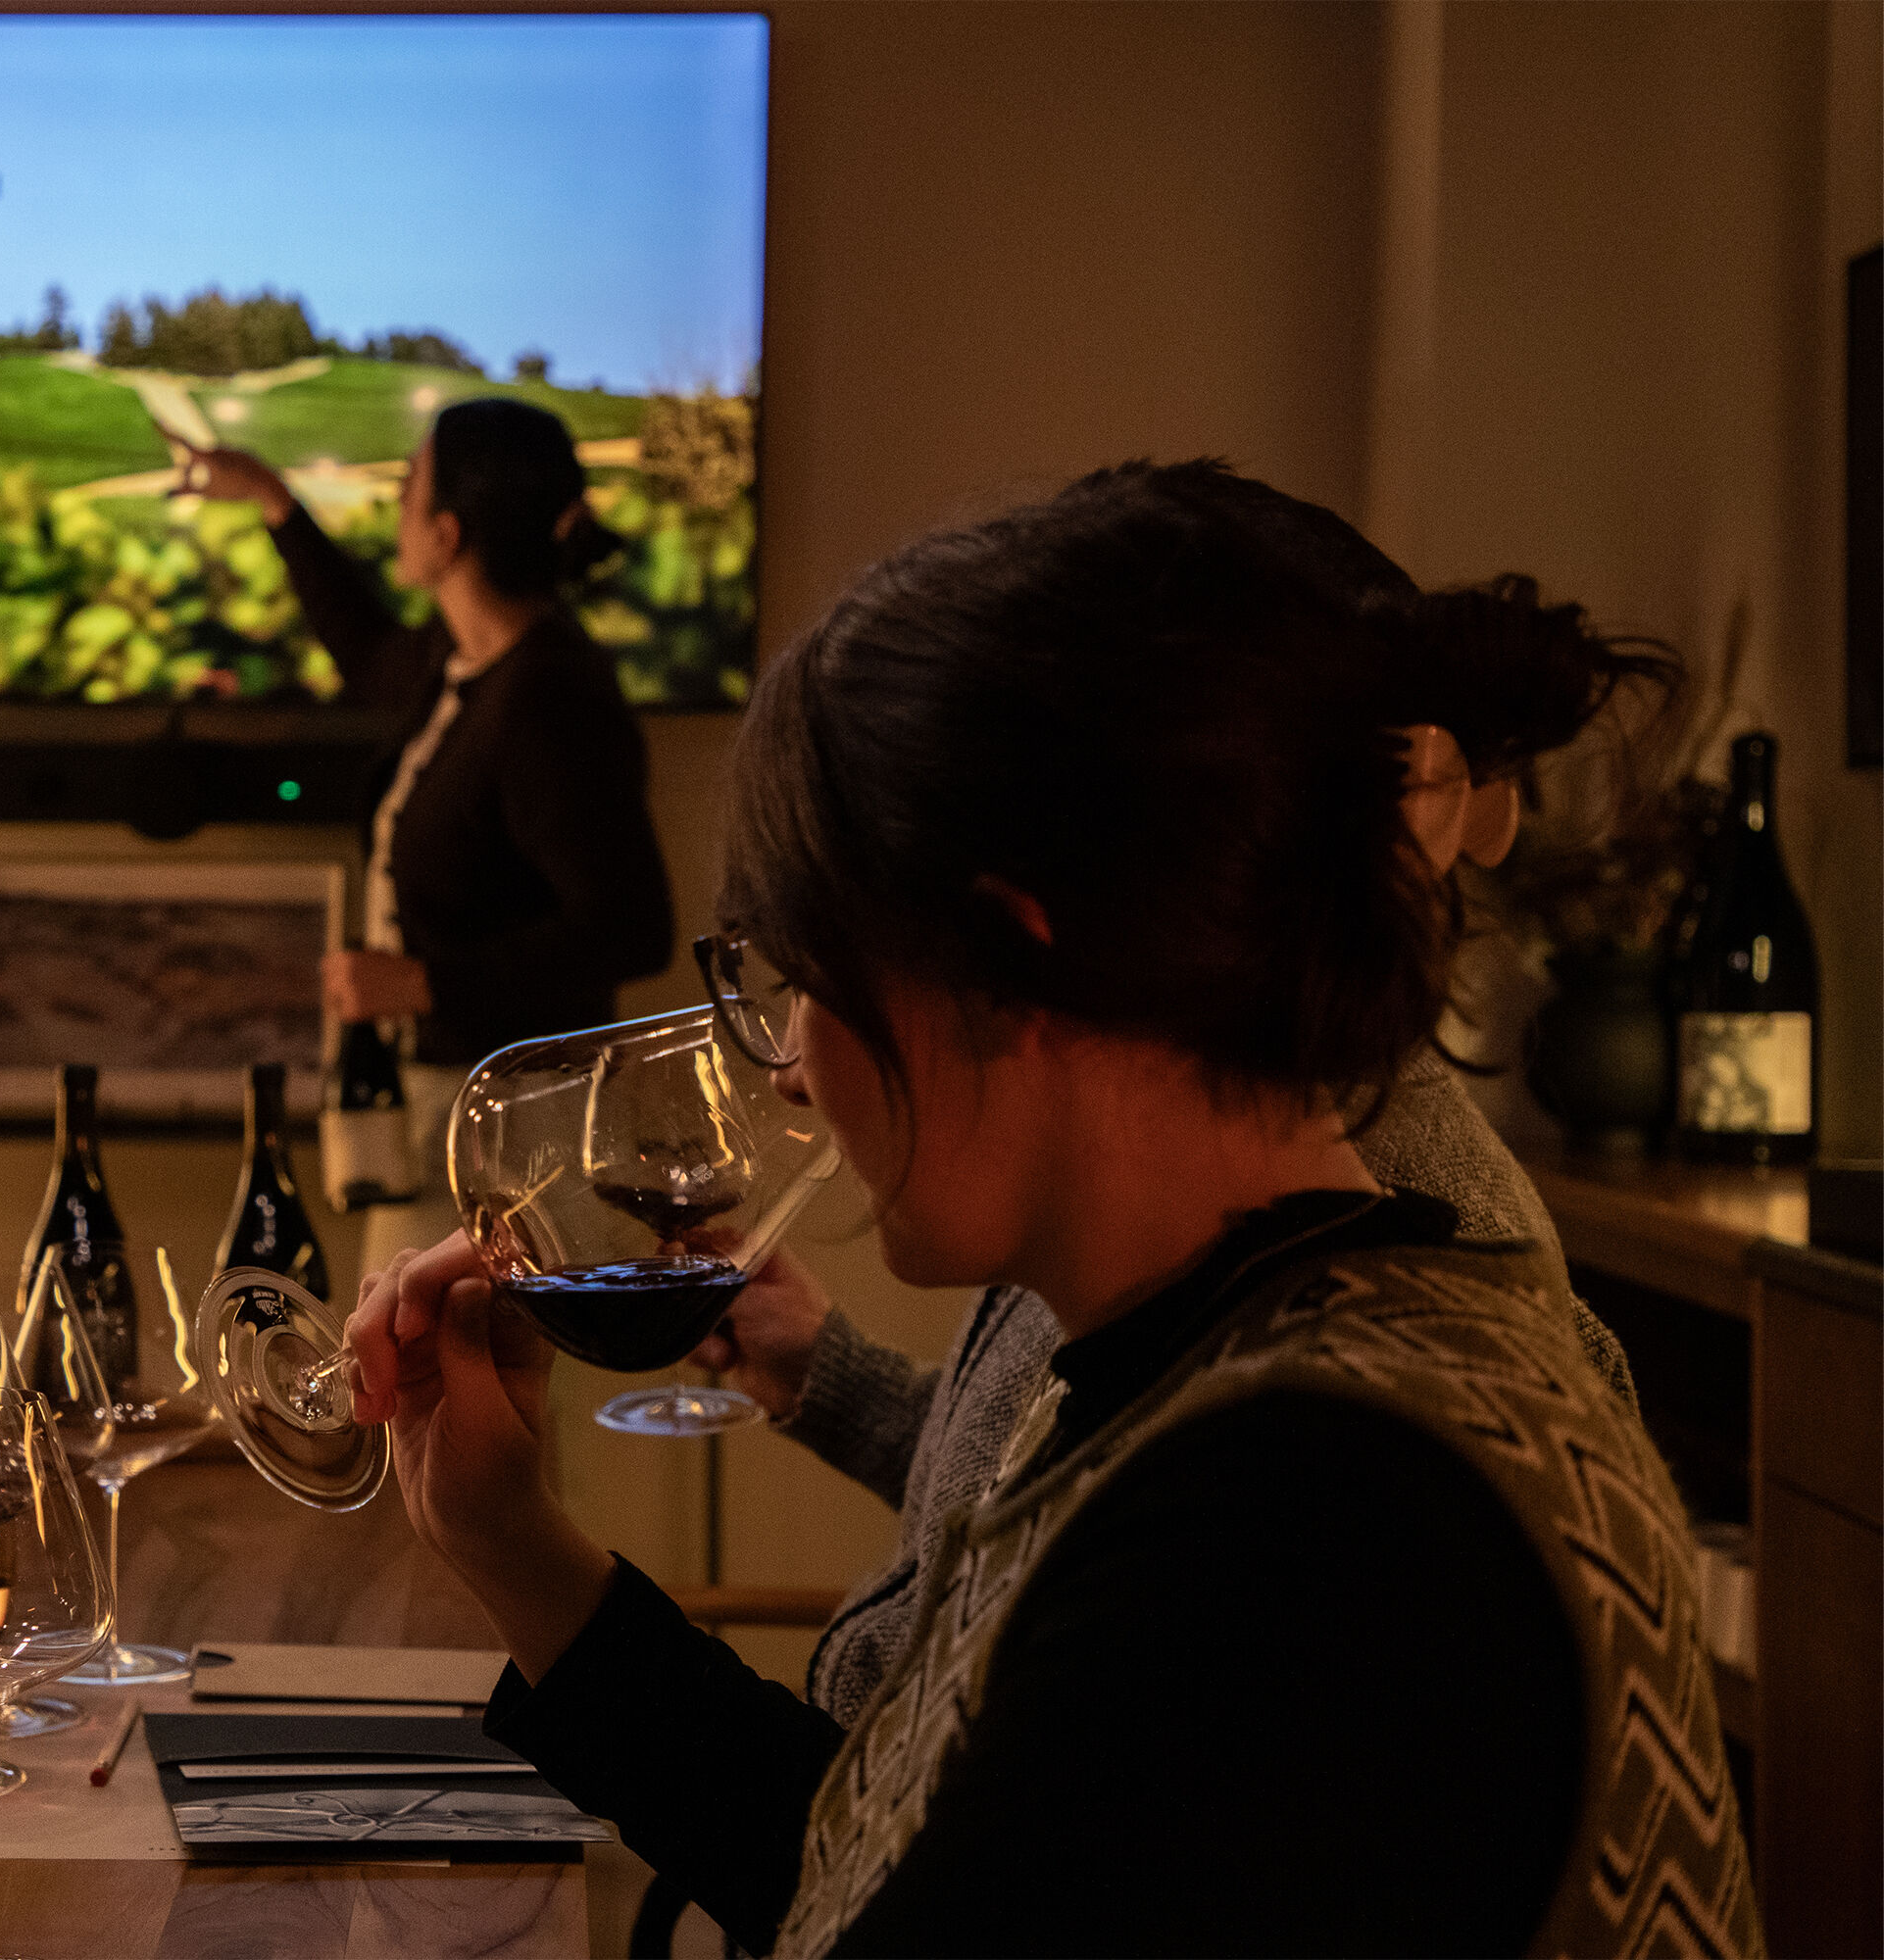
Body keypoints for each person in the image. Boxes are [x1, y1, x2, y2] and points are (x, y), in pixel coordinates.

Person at [343, 462, 1759, 1957]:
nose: (793, 1075)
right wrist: (508, 1541)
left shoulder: (1308, 1520)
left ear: (1006, 966)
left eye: (802, 979)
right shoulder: (1226, 1367)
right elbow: (857, 1861)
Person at [186, 402, 674, 1270]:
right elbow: (364, 648)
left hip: (521, 1136)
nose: (396, 507)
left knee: (449, 1389)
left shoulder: (551, 701)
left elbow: (630, 925)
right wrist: (272, 500)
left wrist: (423, 981)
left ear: (447, 537)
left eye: (409, 487)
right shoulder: (458, 663)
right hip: (449, 1115)